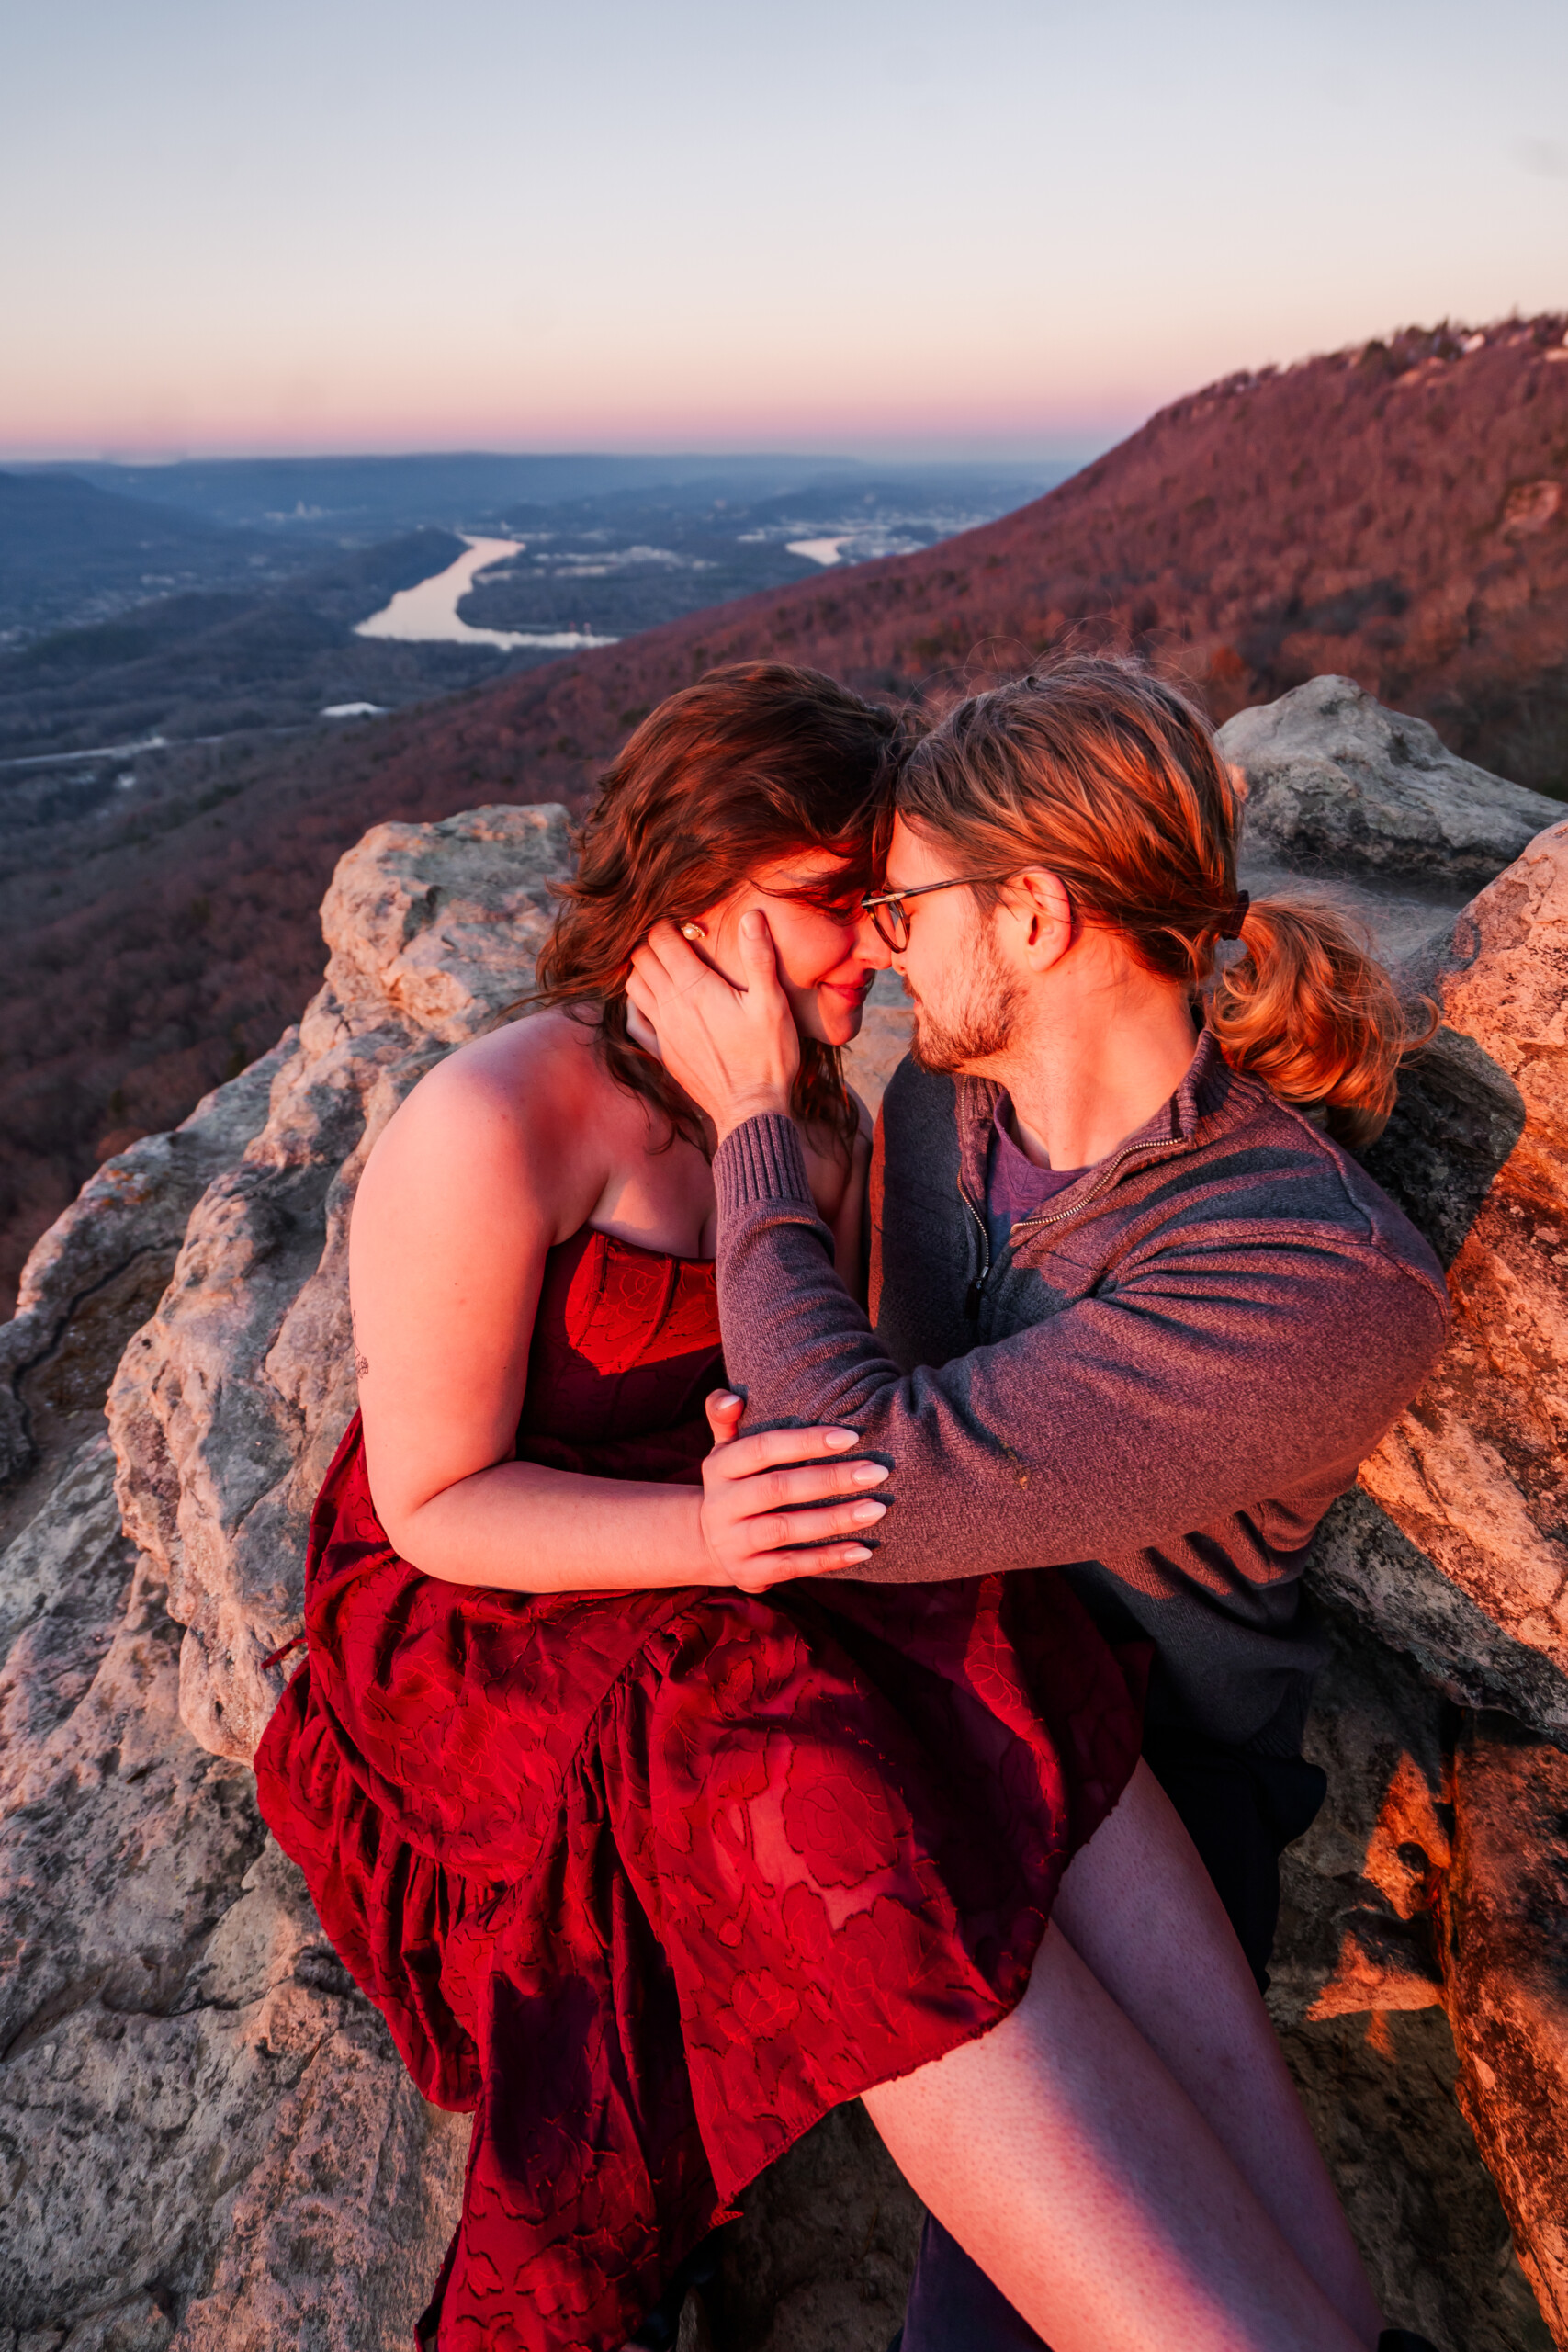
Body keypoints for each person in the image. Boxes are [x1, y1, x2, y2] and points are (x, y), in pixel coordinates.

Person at [254, 659, 1398, 2352]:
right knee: (790, 1755)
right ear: (688, 907)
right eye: (831, 906)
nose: (873, 949)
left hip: (790, 1531)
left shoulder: (837, 1126)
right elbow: (430, 1502)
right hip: (504, 1596)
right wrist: (710, 1535)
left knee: (992, 1662)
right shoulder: (496, 1125)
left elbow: (865, 1429)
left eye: (889, 905)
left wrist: (757, 1166)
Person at [626, 657, 1451, 2352]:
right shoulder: (945, 1103)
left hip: (1151, 1794)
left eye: (909, 903)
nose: (882, 941)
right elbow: (837, 1418)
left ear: (1039, 915)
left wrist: (753, 1131)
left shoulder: (1311, 1272)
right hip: (930, 1708)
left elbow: (850, 1475)